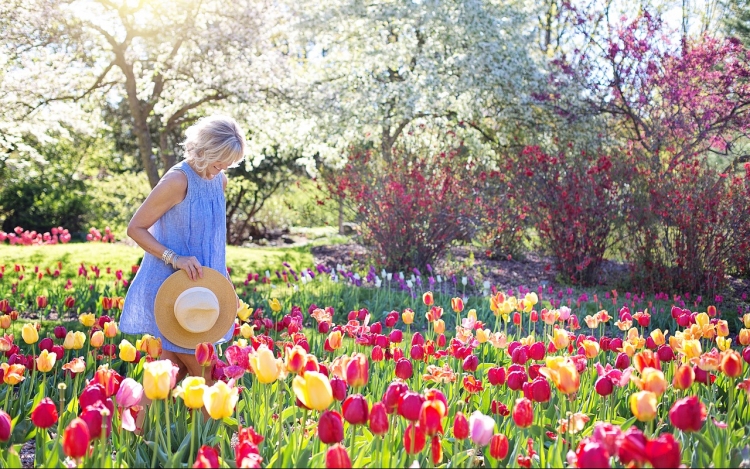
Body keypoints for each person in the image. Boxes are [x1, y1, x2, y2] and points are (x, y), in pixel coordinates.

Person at [120, 115, 246, 384]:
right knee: (212, 380)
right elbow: (136, 228)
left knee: (166, 377)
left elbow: (213, 243)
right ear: (204, 150)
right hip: (177, 292)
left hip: (204, 291)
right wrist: (173, 258)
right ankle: (219, 428)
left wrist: (225, 285)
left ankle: (136, 427)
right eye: (218, 162)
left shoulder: (219, 181)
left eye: (228, 164)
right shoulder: (178, 181)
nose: (221, 170)